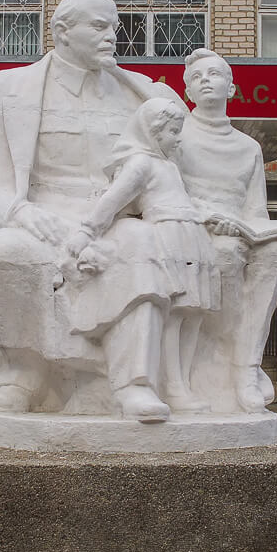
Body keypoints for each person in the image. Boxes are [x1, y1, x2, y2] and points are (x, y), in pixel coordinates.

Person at [0, 0, 185, 422]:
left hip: (114, 215)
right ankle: (23, 375)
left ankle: (132, 382)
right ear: (62, 31)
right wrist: (23, 214)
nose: (112, 37)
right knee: (0, 251)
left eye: (115, 28)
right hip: (36, 215)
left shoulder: (140, 94)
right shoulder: (2, 91)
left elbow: (172, 164)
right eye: (99, 26)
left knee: (141, 244)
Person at [65, 98, 220, 414]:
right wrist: (85, 232)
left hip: (192, 239)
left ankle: (183, 386)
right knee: (175, 314)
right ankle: (173, 386)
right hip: (168, 238)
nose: (178, 138)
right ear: (154, 132)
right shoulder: (140, 164)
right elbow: (112, 201)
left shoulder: (169, 166)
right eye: (173, 131)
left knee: (194, 313)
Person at [176, 48, 277, 412]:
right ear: (187, 91)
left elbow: (255, 211)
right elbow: (165, 191)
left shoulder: (249, 147)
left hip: (239, 228)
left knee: (276, 250)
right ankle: (222, 352)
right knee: (224, 251)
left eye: (214, 74)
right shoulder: (178, 136)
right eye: (197, 77)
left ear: (232, 88)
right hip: (191, 229)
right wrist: (207, 216)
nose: (205, 81)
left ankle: (247, 367)